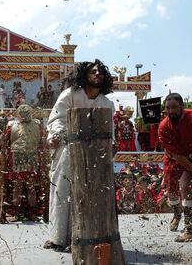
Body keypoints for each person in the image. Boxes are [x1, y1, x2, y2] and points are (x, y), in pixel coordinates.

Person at [44, 59, 115, 251]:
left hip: (96, 155)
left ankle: (86, 237)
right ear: (85, 75)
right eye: (93, 71)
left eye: (100, 72)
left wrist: (111, 147)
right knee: (62, 191)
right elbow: (57, 119)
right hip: (69, 149)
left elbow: (110, 131)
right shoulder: (70, 94)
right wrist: (56, 137)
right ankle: (57, 237)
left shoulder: (107, 103)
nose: (97, 74)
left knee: (92, 195)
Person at [158, 93, 192, 242]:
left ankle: (189, 230)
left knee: (184, 186)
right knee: (172, 192)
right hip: (174, 159)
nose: (171, 111)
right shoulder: (163, 126)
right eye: (168, 108)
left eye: (174, 107)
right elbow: (177, 156)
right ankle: (177, 213)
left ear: (182, 106)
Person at [3, 104, 43, 222]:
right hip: (17, 156)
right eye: (22, 113)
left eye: (26, 112)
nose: (24, 115)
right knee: (18, 185)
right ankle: (15, 212)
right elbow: (5, 142)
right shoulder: (12, 124)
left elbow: (41, 141)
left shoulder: (37, 124)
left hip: (31, 156)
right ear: (19, 114)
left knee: (30, 186)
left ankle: (32, 213)